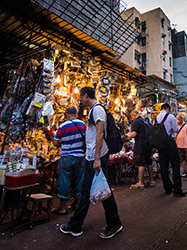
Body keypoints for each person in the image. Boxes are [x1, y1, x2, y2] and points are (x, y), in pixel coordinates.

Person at [60, 87, 122, 239]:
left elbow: (100, 133)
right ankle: (75, 225)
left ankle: (114, 223)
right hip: (91, 157)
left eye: (81, 97)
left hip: (97, 156)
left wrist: (96, 158)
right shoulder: (93, 110)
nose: (80, 101)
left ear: (86, 95)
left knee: (104, 190)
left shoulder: (97, 110)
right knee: (86, 190)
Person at [52, 107, 85, 215]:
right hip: (80, 156)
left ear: (66, 114)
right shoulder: (82, 125)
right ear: (76, 113)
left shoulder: (62, 126)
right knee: (79, 180)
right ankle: (76, 204)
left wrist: (64, 141)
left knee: (64, 181)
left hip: (66, 156)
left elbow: (56, 143)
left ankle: (62, 207)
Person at [156, 104, 187, 197]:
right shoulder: (170, 116)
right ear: (168, 108)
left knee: (163, 166)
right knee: (175, 165)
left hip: (160, 145)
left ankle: (167, 187)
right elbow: (175, 129)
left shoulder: (156, 118)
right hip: (170, 142)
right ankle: (177, 189)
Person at [127, 110, 155, 189]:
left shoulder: (137, 122)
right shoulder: (145, 121)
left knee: (141, 163)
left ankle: (140, 182)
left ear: (133, 115)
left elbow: (134, 134)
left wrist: (129, 135)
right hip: (148, 145)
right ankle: (151, 181)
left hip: (141, 144)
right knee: (149, 162)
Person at [176, 114, 187, 180]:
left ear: (182, 119)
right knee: (182, 158)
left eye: (178, 119)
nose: (177, 121)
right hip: (178, 145)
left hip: (186, 145)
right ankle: (184, 170)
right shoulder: (175, 126)